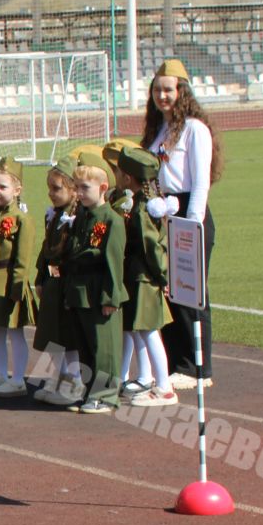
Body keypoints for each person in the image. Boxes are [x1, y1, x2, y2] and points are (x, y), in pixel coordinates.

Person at [142, 59, 221, 387]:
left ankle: (198, 369)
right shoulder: (158, 129)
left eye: (169, 89)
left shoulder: (194, 128)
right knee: (168, 292)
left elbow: (201, 181)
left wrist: (193, 224)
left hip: (188, 212)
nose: (163, 95)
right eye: (158, 89)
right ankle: (176, 362)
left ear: (182, 91)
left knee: (190, 291)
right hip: (161, 214)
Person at [106, 145, 177, 407]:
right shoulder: (136, 204)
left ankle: (165, 387)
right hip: (136, 276)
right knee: (138, 330)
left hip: (144, 278)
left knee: (148, 332)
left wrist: (162, 277)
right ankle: (146, 377)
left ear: (127, 177)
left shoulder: (142, 210)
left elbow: (151, 247)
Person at [58, 160, 127, 415]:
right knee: (86, 346)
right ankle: (90, 392)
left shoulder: (112, 220)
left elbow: (113, 261)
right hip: (80, 290)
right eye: (76, 187)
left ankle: (106, 395)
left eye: (85, 187)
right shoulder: (82, 217)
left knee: (104, 347)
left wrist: (111, 297)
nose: (79, 193)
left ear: (103, 188)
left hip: (99, 290)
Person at [0, 159, 42, 398]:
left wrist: (17, 286)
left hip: (8, 280)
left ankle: (18, 379)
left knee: (14, 332)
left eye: (2, 187)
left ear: (17, 190)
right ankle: (0, 374)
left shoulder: (21, 220)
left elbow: (23, 259)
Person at [31, 164, 80, 404]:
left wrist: (58, 277)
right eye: (49, 187)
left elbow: (70, 255)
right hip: (53, 283)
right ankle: (56, 381)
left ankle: (74, 383)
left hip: (66, 284)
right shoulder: (54, 214)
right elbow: (46, 250)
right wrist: (41, 277)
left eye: (57, 188)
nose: (51, 192)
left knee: (68, 336)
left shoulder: (75, 216)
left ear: (73, 190)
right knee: (52, 335)